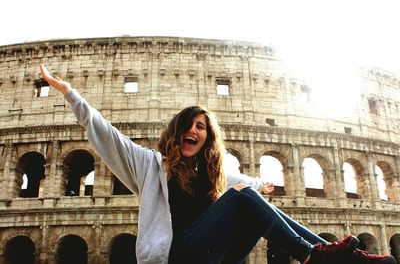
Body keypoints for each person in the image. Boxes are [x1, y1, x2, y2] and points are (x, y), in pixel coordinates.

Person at [39, 64, 396, 264]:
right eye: (188, 126)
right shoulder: (150, 166)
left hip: (213, 257)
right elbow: (107, 135)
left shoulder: (215, 173)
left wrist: (261, 185)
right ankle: (314, 256)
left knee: (244, 194)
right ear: (176, 132)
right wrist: (71, 94)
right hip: (175, 258)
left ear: (208, 138)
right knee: (241, 195)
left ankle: (339, 258)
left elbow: (243, 182)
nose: (193, 132)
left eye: (201, 128)